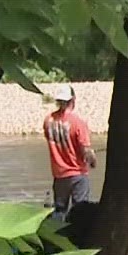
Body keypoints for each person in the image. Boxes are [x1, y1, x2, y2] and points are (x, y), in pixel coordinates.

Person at [42, 84, 96, 219]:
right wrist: (93, 160)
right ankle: (77, 238)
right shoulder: (78, 122)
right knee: (80, 211)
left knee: (59, 211)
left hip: (59, 175)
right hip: (77, 174)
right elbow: (86, 151)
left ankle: (56, 237)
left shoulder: (48, 121)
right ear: (73, 100)